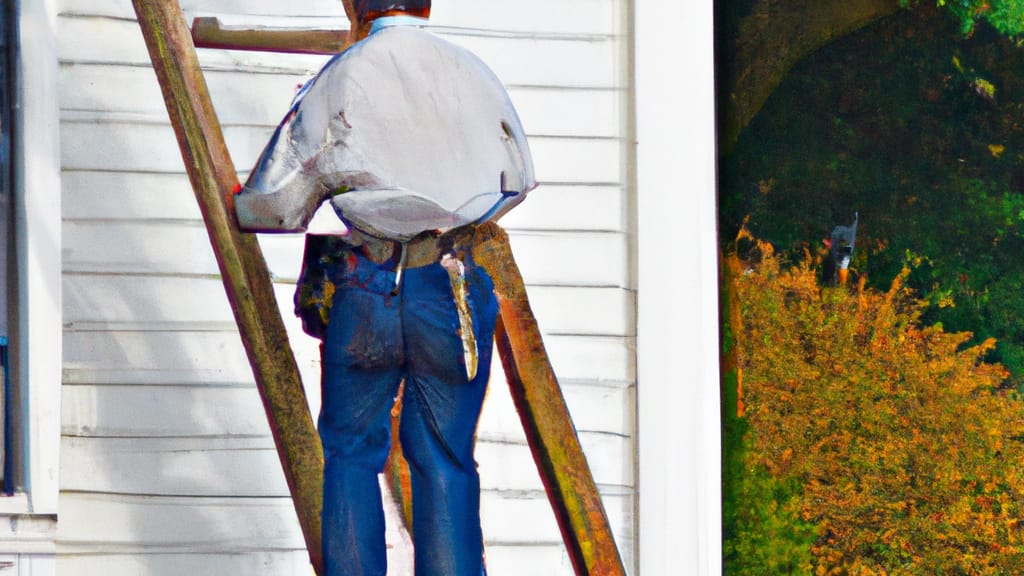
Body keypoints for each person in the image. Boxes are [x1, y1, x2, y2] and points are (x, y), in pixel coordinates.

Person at [232, 1, 536, 575]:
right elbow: (518, 181)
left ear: (360, 6)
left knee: (350, 455)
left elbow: (274, 207)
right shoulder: (473, 72)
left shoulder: (340, 75)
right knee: (445, 462)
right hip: (449, 284)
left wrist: (243, 197)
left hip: (368, 282)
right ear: (427, 4)